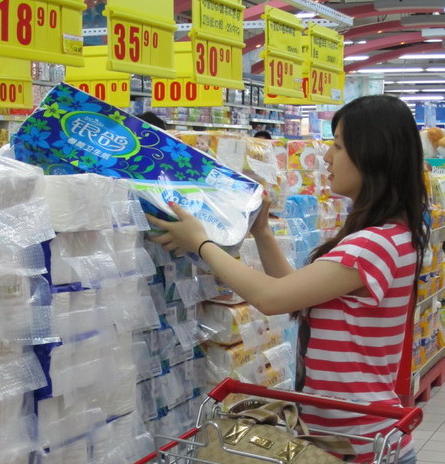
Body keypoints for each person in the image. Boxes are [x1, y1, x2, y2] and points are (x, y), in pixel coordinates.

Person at [146, 95, 429, 464]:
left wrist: (201, 243)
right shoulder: (390, 236)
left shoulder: (373, 243)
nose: (326, 157)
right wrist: (263, 232)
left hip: (360, 444)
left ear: (373, 154)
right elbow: (298, 295)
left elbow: (273, 298)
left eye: (338, 145)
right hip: (349, 437)